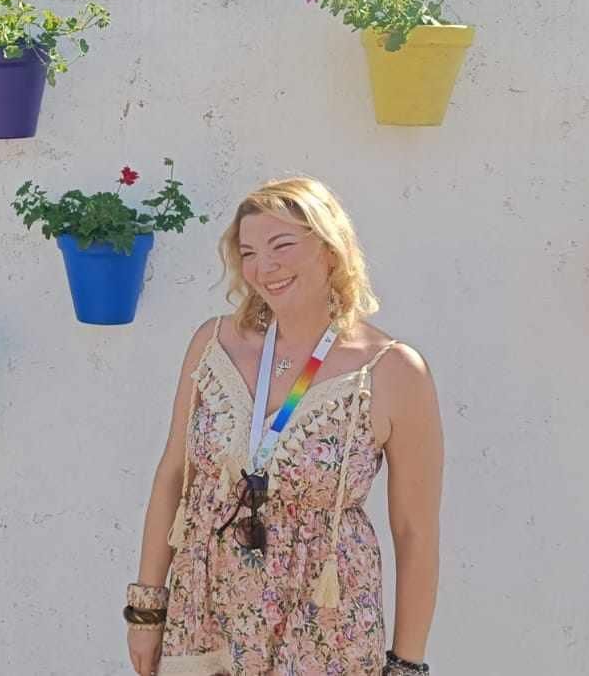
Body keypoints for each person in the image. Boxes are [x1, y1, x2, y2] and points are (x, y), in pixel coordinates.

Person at [126, 178, 444, 676]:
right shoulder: (212, 344)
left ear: (330, 250)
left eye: (282, 245)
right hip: (205, 617)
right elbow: (173, 475)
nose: (264, 267)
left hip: (323, 632)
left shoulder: (392, 370)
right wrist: (147, 609)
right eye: (249, 253)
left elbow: (415, 531)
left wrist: (406, 665)